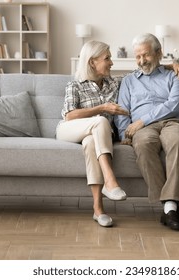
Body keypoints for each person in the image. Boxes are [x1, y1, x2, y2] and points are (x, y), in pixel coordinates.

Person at [114, 33, 179, 231]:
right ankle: (170, 208)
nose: (141, 61)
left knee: (178, 141)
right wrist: (125, 133)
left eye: (146, 55)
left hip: (172, 122)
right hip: (143, 130)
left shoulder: (175, 74)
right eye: (138, 56)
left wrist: (142, 120)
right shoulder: (129, 81)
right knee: (143, 144)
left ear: (159, 53)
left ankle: (169, 208)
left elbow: (176, 103)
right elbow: (122, 109)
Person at [56, 41, 129, 227]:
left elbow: (142, 71)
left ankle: (98, 210)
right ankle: (110, 180)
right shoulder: (75, 85)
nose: (111, 62)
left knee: (90, 143)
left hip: (95, 135)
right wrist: (103, 107)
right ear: (92, 62)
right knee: (101, 119)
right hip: (69, 129)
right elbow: (70, 115)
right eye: (107, 58)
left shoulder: (114, 83)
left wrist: (172, 64)